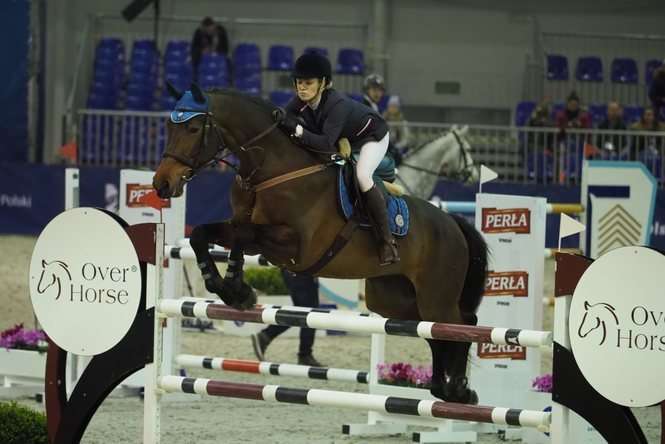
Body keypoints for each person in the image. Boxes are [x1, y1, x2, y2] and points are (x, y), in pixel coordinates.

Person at [279, 53, 399, 265]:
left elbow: (325, 144)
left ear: (323, 83)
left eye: (308, 83)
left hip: (372, 137)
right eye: (299, 82)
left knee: (362, 176)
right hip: (346, 137)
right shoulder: (301, 101)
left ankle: (387, 242)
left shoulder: (337, 104)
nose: (302, 88)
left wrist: (297, 130)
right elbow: (284, 116)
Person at [251, 271, 322, 366]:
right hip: (302, 272)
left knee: (302, 312)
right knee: (310, 313)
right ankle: (305, 355)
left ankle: (267, 335)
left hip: (293, 272)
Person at [191, 17, 229, 81]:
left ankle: (226, 81)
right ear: (203, 28)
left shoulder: (221, 32)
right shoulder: (199, 32)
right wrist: (202, 50)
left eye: (211, 30)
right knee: (194, 56)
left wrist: (214, 49)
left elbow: (225, 48)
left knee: (228, 62)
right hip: (202, 57)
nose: (209, 32)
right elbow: (194, 46)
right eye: (207, 30)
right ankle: (196, 79)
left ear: (214, 26)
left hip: (218, 56)